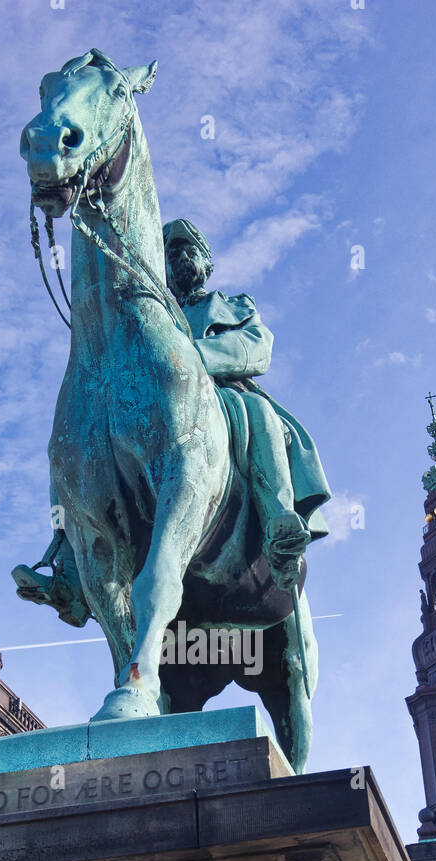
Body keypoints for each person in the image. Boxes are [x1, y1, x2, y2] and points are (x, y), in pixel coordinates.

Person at [161, 218, 330, 591]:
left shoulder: (234, 306)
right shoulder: (157, 319)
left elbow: (257, 346)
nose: (179, 258)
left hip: (225, 393)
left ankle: (279, 524)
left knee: (260, 414)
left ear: (208, 264)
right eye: (171, 253)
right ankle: (72, 560)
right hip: (163, 402)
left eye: (189, 249)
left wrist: (192, 356)